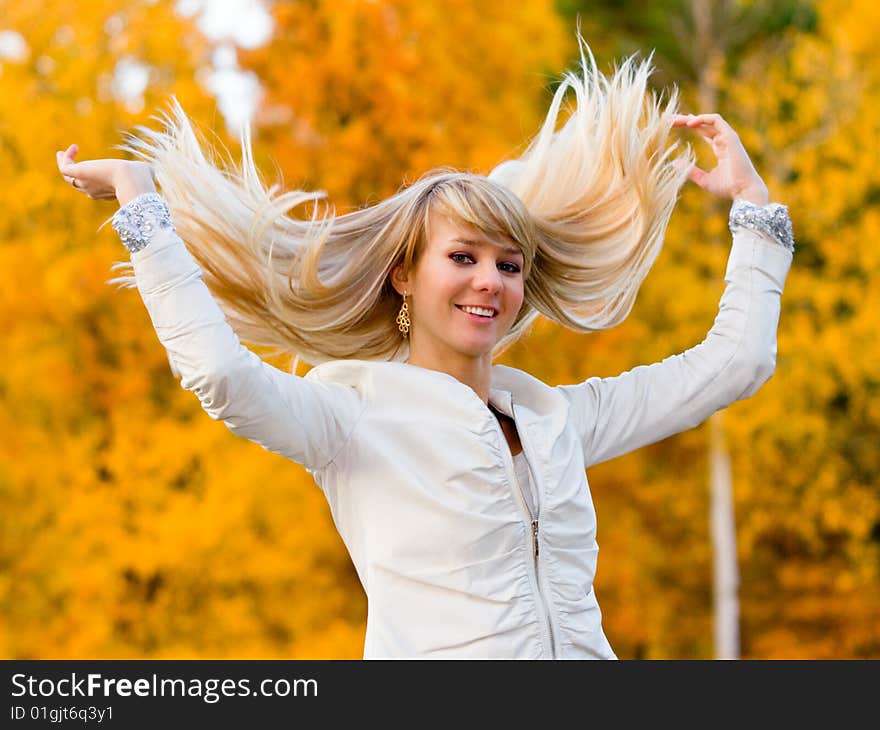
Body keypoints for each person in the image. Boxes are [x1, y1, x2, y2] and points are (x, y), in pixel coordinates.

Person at [55, 36, 794, 659]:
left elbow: (736, 363)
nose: (491, 282)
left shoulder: (555, 420)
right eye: (464, 257)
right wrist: (142, 208)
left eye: (510, 265)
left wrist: (755, 209)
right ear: (405, 274)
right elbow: (219, 372)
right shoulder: (352, 419)